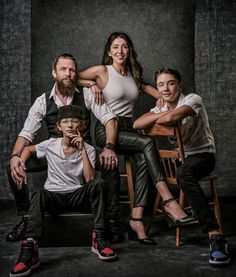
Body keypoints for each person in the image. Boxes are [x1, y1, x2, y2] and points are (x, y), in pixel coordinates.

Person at [78, 32, 192, 245]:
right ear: (109, 51)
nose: (120, 51)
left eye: (124, 46)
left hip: (130, 128)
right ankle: (168, 200)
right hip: (106, 128)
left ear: (129, 50)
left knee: (144, 161)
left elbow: (161, 94)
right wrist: (91, 84)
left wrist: (165, 105)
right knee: (148, 143)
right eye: (115, 47)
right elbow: (72, 76)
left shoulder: (133, 75)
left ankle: (136, 220)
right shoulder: (102, 71)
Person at [7, 53, 124, 243]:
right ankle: (27, 218)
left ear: (76, 74)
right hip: (52, 153)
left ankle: (111, 221)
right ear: (54, 72)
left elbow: (110, 119)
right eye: (63, 69)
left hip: (83, 153)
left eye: (71, 70)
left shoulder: (87, 94)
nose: (68, 74)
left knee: (110, 161)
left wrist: (109, 147)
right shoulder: (43, 101)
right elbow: (26, 134)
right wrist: (14, 156)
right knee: (12, 164)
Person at [133, 67, 230, 265]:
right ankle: (171, 206)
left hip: (202, 155)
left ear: (179, 85)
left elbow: (169, 118)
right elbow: (137, 124)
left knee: (183, 174)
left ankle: (215, 236)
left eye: (170, 83)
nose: (165, 89)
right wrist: (156, 116)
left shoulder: (193, 100)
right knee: (147, 161)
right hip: (178, 160)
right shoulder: (160, 107)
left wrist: (155, 120)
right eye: (161, 85)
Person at [9, 105, 117, 277]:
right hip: (54, 198)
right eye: (65, 122)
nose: (70, 125)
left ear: (80, 126)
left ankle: (99, 237)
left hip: (77, 196)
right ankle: (30, 248)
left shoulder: (87, 149)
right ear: (59, 127)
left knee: (98, 184)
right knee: (38, 192)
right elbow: (29, 149)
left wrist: (82, 149)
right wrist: (21, 163)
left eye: (74, 121)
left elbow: (89, 180)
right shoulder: (51, 144)